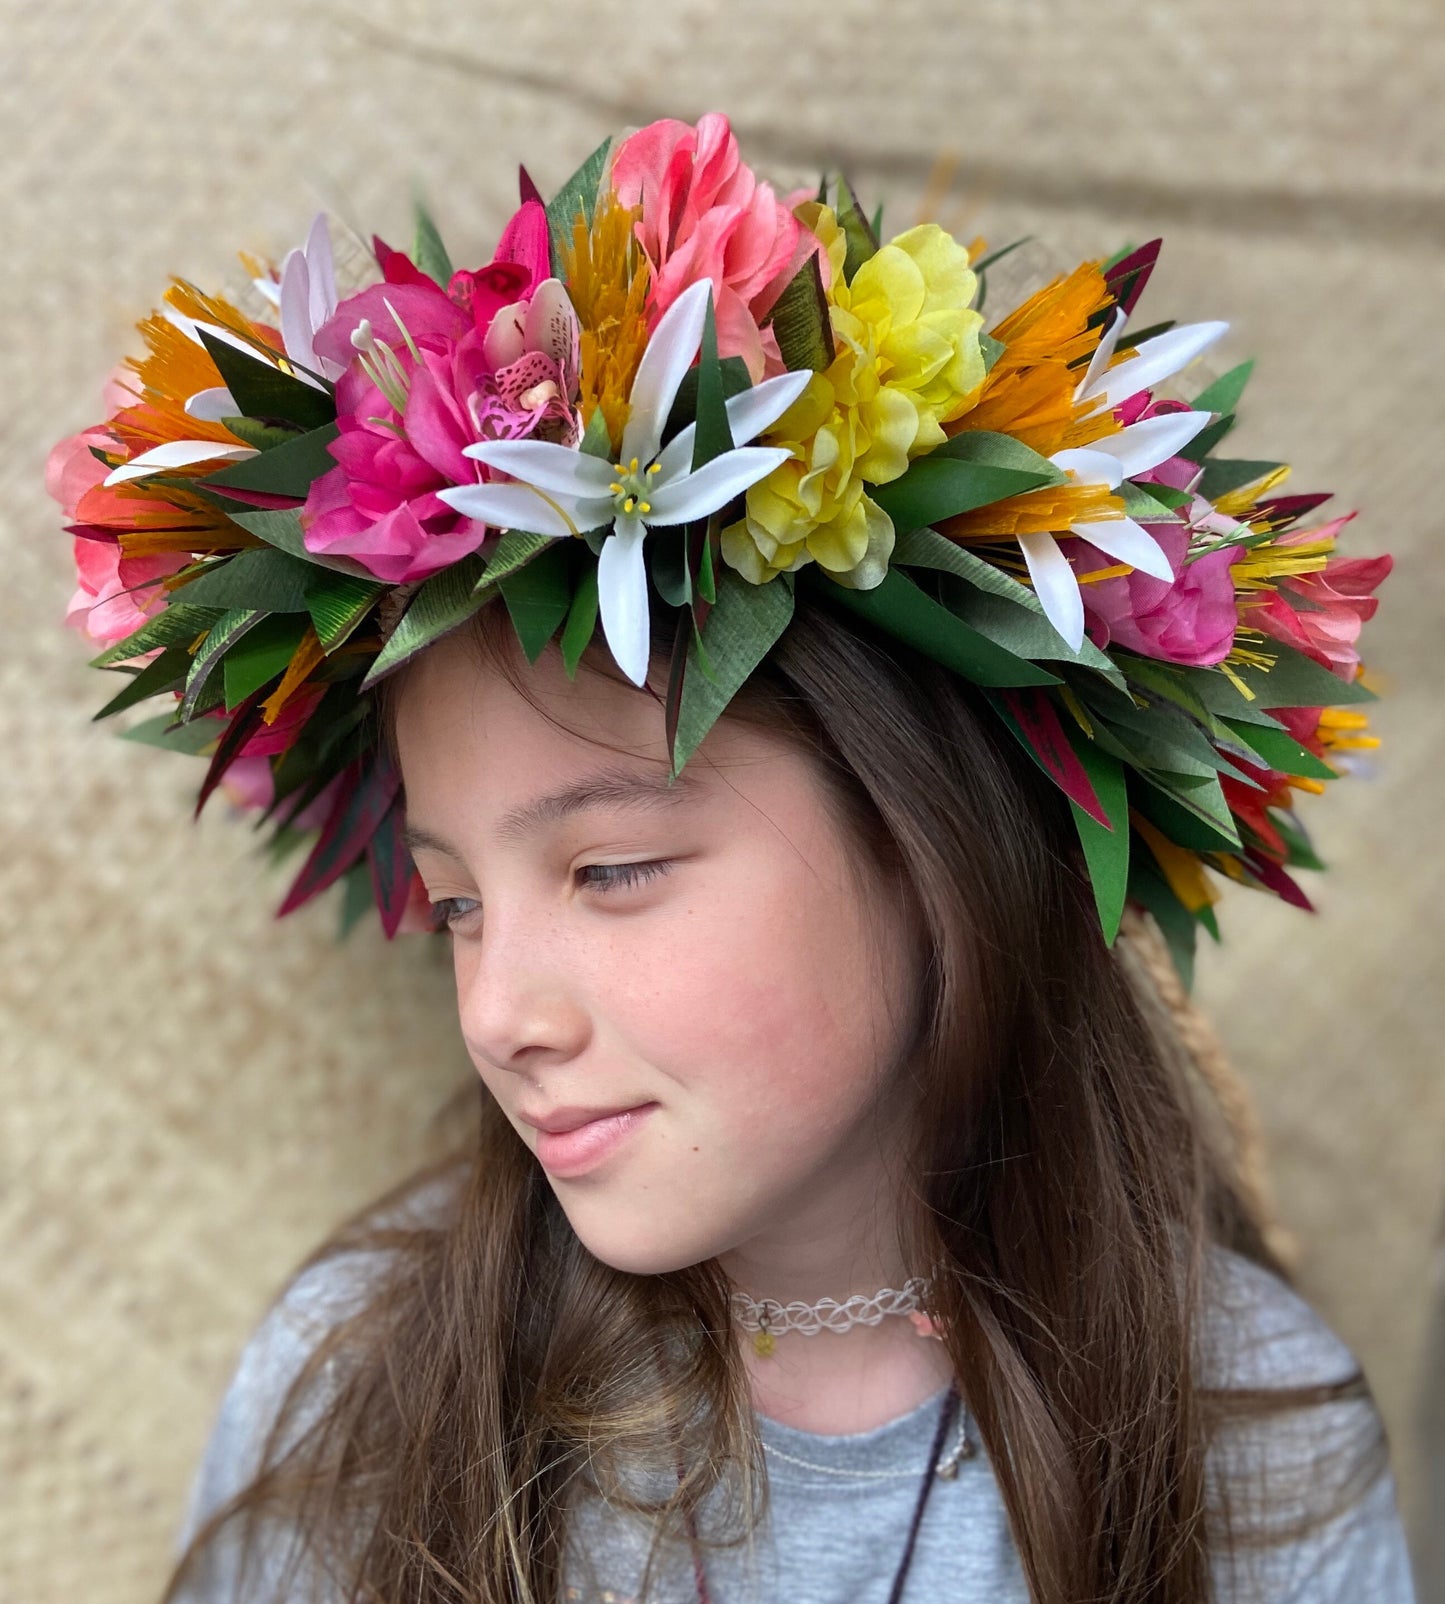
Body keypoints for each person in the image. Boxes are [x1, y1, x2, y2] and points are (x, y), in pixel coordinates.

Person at [51, 114, 1412, 1602]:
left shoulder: (1248, 1433)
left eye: (611, 871)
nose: (500, 1014)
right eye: (455, 905)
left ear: (931, 848)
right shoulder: (362, 1391)